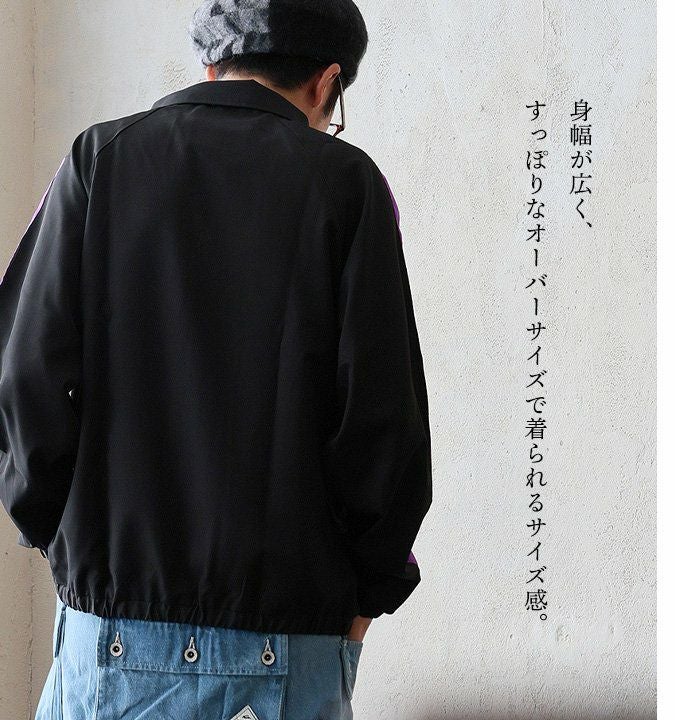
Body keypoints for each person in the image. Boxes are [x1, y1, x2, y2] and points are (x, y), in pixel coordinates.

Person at [0, 1, 432, 718]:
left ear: (210, 66)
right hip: (290, 640)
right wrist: (371, 592)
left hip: (111, 631)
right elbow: (383, 421)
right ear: (327, 83)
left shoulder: (99, 159)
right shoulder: (347, 183)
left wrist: (52, 531)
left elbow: (24, 374)